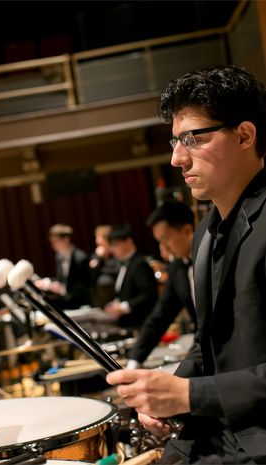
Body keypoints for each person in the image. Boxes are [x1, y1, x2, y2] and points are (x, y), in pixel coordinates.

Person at [107, 65, 266, 464]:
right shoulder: (206, 233)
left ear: (245, 135)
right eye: (176, 140)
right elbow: (208, 344)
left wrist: (190, 395)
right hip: (214, 433)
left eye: (192, 139)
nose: (177, 158)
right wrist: (165, 391)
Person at [126, 200, 196, 369]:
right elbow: (160, 317)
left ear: (187, 231)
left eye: (165, 239)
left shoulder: (215, 257)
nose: (162, 249)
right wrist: (134, 361)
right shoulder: (177, 268)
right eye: (159, 242)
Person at [103, 224, 158, 330]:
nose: (112, 250)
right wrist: (116, 304)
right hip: (127, 322)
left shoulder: (139, 264)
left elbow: (149, 295)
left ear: (128, 242)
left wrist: (123, 307)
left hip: (139, 324)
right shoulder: (125, 264)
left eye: (115, 244)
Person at [34, 223, 91, 309]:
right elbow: (60, 280)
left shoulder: (80, 258)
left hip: (81, 304)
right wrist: (46, 282)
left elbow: (84, 287)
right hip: (66, 301)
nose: (52, 245)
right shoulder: (59, 257)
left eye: (55, 241)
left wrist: (63, 289)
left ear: (66, 239)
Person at [89, 224, 120, 308]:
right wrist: (99, 257)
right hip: (98, 294)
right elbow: (91, 274)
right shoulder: (96, 256)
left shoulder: (116, 253)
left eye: (100, 238)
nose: (97, 240)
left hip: (113, 290)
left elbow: (117, 270)